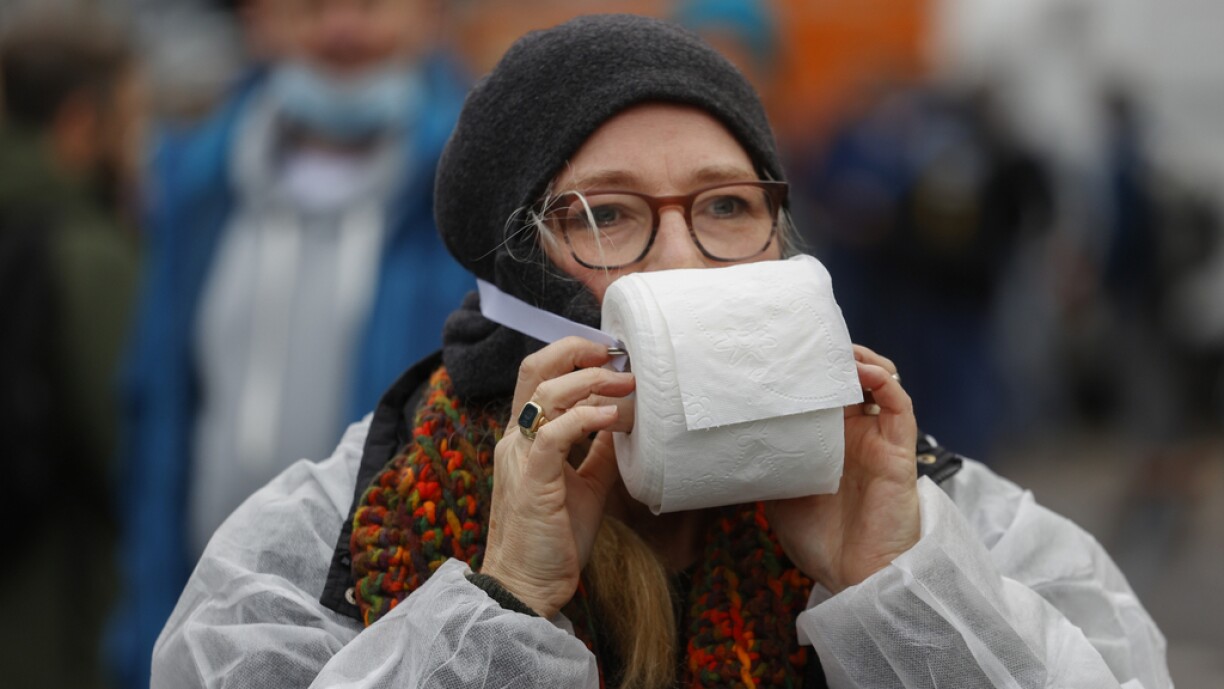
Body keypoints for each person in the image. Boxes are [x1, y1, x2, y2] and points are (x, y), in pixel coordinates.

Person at [153, 15, 1170, 689]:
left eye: (728, 206)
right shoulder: (345, 519)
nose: (683, 262)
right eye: (607, 214)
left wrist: (898, 589)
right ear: (511, 271)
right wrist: (502, 600)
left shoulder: (924, 504)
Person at [112, 0, 472, 686]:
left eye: (369, 6)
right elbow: (155, 412)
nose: (340, 30)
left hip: (386, 628)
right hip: (199, 613)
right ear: (259, 19)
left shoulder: (472, 199)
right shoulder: (198, 187)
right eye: (309, 8)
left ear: (430, 17)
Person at [0, 10, 144, 689]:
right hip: (53, 613)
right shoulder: (87, 254)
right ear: (83, 121)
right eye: (133, 116)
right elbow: (126, 443)